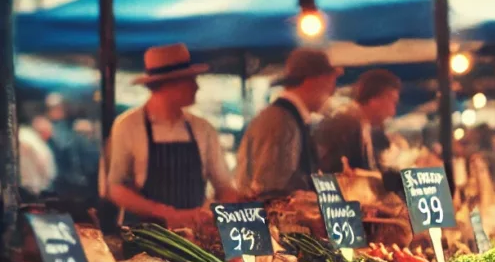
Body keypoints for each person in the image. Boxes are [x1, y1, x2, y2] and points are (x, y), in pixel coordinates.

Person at [102, 43, 238, 225]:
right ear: (169, 85)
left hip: (193, 239)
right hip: (144, 237)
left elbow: (223, 186)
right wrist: (168, 214)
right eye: (190, 80)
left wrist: (241, 202)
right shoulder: (128, 126)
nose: (197, 87)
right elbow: (115, 188)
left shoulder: (203, 128)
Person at [236, 48, 341, 196]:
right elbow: (272, 188)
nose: (332, 91)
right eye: (331, 82)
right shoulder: (281, 120)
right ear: (314, 80)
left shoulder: (289, 117)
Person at [315, 68, 400, 173]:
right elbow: (329, 172)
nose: (393, 112)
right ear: (375, 99)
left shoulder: (361, 124)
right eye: (393, 102)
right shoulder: (343, 124)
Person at [18, 113, 56, 197]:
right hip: (30, 188)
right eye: (50, 132)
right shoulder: (32, 141)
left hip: (26, 186)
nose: (51, 135)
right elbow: (47, 170)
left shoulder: (25, 136)